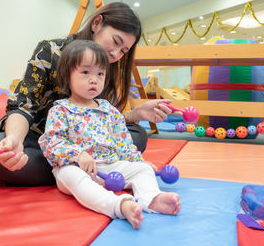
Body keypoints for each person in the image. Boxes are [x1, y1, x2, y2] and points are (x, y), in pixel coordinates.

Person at [0, 2, 173, 186]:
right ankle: (80, 169)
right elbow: (23, 106)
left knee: (137, 135)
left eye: (123, 51)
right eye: (115, 41)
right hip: (42, 139)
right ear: (97, 23)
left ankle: (73, 171)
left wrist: (136, 115)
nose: (115, 54)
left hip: (89, 145)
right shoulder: (50, 51)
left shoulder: (107, 68)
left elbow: (104, 120)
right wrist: (14, 140)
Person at [39, 40, 181, 229]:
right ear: (67, 76)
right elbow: (52, 143)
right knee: (72, 176)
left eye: (100, 73)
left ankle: (152, 199)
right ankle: (118, 205)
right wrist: (78, 154)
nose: (94, 79)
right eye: (85, 72)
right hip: (76, 167)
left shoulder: (109, 110)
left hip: (110, 165)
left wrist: (137, 160)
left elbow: (123, 141)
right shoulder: (60, 110)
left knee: (144, 170)